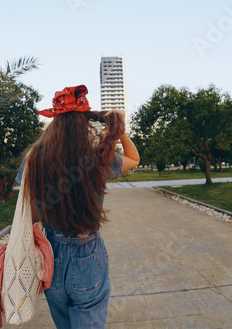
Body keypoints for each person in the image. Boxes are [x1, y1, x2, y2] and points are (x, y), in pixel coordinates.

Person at [14, 85, 139, 328]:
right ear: (84, 123)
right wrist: (120, 132)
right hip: (88, 254)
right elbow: (135, 159)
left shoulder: (35, 158)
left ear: (54, 122)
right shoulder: (98, 157)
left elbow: (31, 211)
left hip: (52, 255)